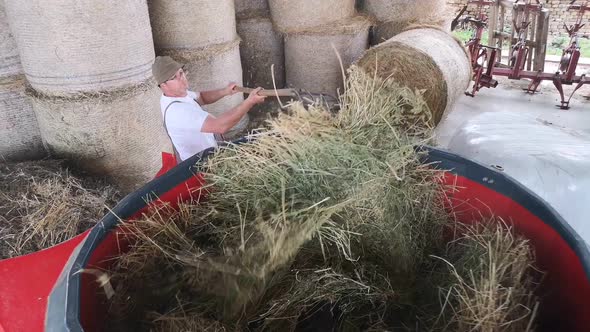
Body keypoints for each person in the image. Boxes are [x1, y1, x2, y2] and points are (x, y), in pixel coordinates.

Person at [151, 55, 266, 161]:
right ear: (163, 85)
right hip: (200, 166)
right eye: (174, 77)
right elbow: (220, 126)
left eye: (181, 73)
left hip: (210, 154)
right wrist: (250, 101)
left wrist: (225, 91)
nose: (181, 78)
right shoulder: (177, 112)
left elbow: (201, 97)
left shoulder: (177, 94)